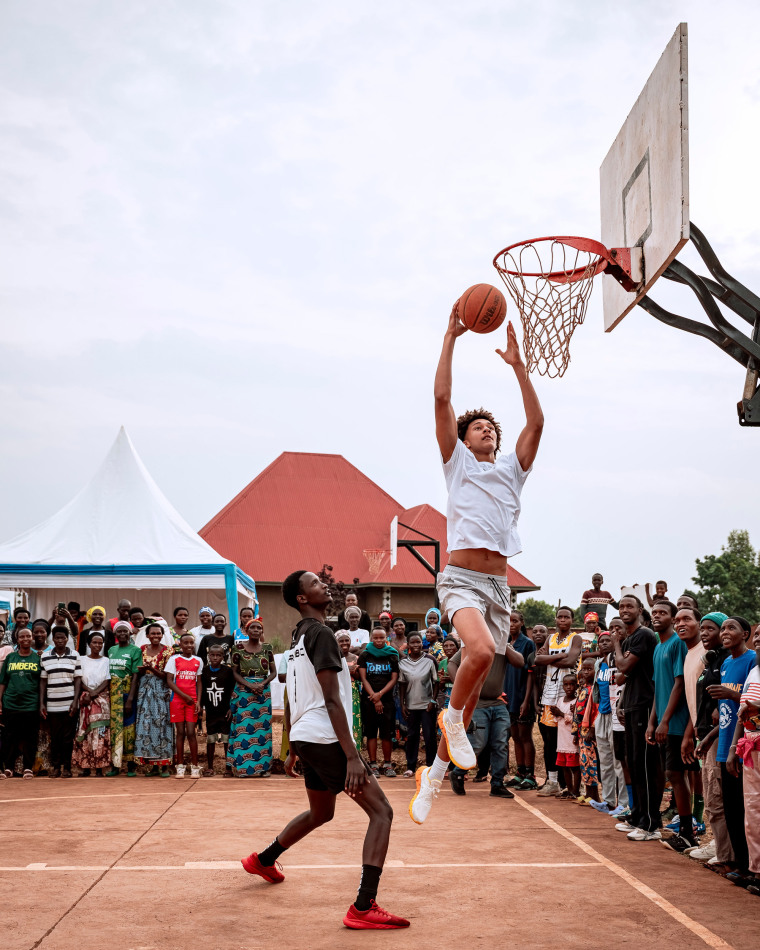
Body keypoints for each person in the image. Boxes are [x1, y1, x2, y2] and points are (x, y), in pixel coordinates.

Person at [411, 306, 543, 824]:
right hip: (462, 579)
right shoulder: (457, 464)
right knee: (482, 650)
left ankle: (432, 778)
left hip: (498, 585)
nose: (486, 430)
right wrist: (450, 336)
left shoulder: (512, 469)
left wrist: (518, 367)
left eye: (491, 427)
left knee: (476, 685)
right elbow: (442, 400)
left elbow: (536, 423)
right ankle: (451, 720)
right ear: (464, 440)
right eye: (478, 427)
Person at [242, 570, 409, 931]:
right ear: (302, 598)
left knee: (321, 812)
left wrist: (293, 746)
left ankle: (264, 860)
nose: (324, 585)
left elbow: (296, 694)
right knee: (382, 812)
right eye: (315, 583)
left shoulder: (299, 636)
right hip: (325, 737)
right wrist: (352, 756)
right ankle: (363, 906)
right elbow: (331, 700)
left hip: (308, 735)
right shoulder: (321, 634)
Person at [612, 594, 662, 841]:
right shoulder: (631, 638)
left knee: (644, 765)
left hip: (645, 706)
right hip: (632, 705)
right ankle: (638, 815)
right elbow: (622, 677)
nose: (624, 609)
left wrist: (616, 644)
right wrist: (622, 704)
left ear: (640, 610)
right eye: (621, 606)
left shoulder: (643, 635)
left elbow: (622, 667)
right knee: (634, 763)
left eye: (629, 606)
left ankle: (651, 823)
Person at [712, 616, 755, 883]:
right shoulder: (726, 662)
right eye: (723, 628)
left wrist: (731, 694)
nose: (725, 632)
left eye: (731, 628)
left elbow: (750, 702)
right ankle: (739, 863)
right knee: (731, 809)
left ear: (746, 634)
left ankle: (751, 866)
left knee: (745, 809)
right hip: (726, 742)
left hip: (743, 746)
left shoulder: (752, 661)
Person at [688, 612, 732, 865]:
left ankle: (722, 849)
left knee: (716, 795)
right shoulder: (712, 659)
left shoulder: (726, 660)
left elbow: (728, 698)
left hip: (717, 736)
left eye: (710, 628)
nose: (704, 633)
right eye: (702, 628)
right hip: (705, 734)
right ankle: (719, 844)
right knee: (711, 793)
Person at [448, 645, 520, 799]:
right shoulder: (476, 643)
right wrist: (461, 685)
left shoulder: (504, 647)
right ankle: (458, 772)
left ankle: (497, 784)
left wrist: (504, 646)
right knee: (477, 743)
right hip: (477, 703)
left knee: (500, 744)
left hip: (498, 703)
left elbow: (520, 662)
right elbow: (452, 664)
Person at [534, 608, 583, 797]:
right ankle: (552, 781)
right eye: (560, 617)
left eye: (566, 617)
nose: (563, 619)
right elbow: (538, 659)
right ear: (555, 619)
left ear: (572, 620)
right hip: (550, 695)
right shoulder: (551, 638)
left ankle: (571, 784)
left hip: (568, 694)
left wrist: (550, 659)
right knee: (549, 741)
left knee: (569, 740)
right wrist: (560, 656)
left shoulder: (575, 638)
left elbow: (571, 662)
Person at [731, 624, 760, 892]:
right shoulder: (754, 671)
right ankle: (756, 870)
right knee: (752, 812)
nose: (758, 637)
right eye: (758, 633)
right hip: (751, 748)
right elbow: (744, 710)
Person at [228, 618, 276, 777]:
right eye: (252, 628)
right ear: (246, 631)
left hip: (263, 693)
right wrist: (250, 685)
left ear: (262, 631)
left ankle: (263, 768)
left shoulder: (267, 648)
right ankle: (242, 768)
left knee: (263, 729)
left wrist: (262, 684)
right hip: (243, 691)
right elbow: (234, 672)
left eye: (259, 628)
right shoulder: (237, 648)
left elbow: (273, 672)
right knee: (243, 728)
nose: (256, 630)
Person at [590, 630, 628, 814]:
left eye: (608, 640)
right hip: (602, 715)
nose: (604, 643)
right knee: (605, 762)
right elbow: (596, 692)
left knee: (618, 761)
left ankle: (624, 803)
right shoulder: (599, 664)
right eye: (601, 641)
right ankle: (608, 801)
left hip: (616, 716)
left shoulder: (620, 662)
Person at [39, 626, 82, 777]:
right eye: (57, 638)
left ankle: (67, 768)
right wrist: (42, 703)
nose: (60, 640)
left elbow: (78, 680)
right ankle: (56, 767)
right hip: (52, 705)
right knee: (55, 737)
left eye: (62, 637)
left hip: (70, 704)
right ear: (53, 639)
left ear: (67, 639)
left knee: (68, 738)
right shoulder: (45, 656)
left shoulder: (75, 655)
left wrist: (75, 702)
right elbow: (43, 681)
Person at [357, 628, 400, 778]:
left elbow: (394, 679)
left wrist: (380, 695)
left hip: (387, 700)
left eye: (381, 638)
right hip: (369, 700)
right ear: (371, 639)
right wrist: (374, 697)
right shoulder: (365, 655)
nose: (379, 640)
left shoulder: (392, 655)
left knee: (387, 733)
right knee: (371, 733)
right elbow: (363, 678)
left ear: (386, 638)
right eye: (375, 638)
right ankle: (373, 765)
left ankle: (388, 764)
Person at [0, 627, 41, 779]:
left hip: (31, 704)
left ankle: (28, 768)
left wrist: (41, 703)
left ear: (32, 638)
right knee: (10, 737)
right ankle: (9, 767)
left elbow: (42, 682)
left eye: (28, 636)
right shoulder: (10, 657)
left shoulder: (38, 658)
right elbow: (3, 681)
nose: (25, 639)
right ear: (17, 639)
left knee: (30, 737)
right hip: (10, 703)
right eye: (22, 636)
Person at [134, 622, 174, 776]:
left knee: (163, 725)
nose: (156, 636)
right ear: (147, 635)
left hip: (161, 691)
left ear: (162, 635)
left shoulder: (168, 651)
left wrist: (151, 669)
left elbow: (167, 675)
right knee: (147, 726)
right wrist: (144, 671)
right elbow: (137, 671)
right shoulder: (142, 649)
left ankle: (165, 766)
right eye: (153, 633)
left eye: (158, 633)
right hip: (144, 691)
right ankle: (153, 766)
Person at [398, 633, 438, 778]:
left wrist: (432, 701)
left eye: (418, 642)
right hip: (410, 705)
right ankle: (410, 767)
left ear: (422, 643)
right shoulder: (402, 662)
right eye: (413, 643)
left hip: (427, 706)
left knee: (429, 736)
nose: (416, 645)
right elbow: (402, 684)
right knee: (412, 736)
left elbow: (436, 682)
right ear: (408, 645)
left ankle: (431, 767)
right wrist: (402, 704)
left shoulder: (430, 660)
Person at [504, 610, 536, 789]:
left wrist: (526, 700)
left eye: (515, 621)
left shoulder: (527, 643)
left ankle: (530, 775)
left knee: (525, 736)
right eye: (508, 621)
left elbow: (530, 673)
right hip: (508, 696)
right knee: (515, 736)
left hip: (522, 695)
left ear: (522, 623)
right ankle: (520, 772)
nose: (511, 624)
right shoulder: (505, 642)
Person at [72, 632, 111, 776]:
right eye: (94, 642)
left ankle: (100, 767)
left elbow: (107, 679)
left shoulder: (106, 660)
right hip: (86, 699)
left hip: (102, 699)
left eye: (100, 643)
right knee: (85, 731)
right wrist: (89, 692)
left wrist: (95, 692)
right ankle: (86, 767)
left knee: (100, 732)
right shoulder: (81, 659)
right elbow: (78, 678)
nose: (97, 645)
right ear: (89, 644)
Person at [106, 621, 142, 777]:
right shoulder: (111, 650)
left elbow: (135, 676)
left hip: (128, 693)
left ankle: (131, 766)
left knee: (129, 729)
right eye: (119, 631)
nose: (122, 634)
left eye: (125, 631)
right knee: (115, 729)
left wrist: (130, 700)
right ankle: (115, 764)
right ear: (115, 634)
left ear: (130, 633)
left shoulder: (135, 650)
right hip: (113, 693)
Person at [166, 633, 203, 778]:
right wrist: (184, 696)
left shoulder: (198, 660)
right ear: (180, 645)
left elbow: (199, 683)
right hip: (177, 700)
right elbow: (169, 681)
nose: (189, 645)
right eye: (185, 643)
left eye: (191, 643)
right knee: (180, 732)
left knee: (191, 733)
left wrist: (198, 701)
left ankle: (195, 766)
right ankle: (180, 765)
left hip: (192, 701)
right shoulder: (174, 659)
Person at [200, 643, 235, 776]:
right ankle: (210, 767)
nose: (215, 658)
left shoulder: (228, 671)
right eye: (212, 655)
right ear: (208, 656)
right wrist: (201, 707)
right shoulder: (204, 671)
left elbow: (232, 690)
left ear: (223, 657)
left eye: (218, 655)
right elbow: (201, 690)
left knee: (226, 740)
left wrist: (231, 707)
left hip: (225, 711)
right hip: (210, 711)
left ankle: (228, 768)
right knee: (211, 739)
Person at [575, 656, 600, 804]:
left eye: (589, 669)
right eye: (583, 669)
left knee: (591, 764)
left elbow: (596, 711)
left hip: (589, 733)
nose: (585, 672)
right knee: (584, 763)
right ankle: (587, 793)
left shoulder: (595, 690)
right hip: (581, 732)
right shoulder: (583, 688)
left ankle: (594, 795)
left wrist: (592, 729)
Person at [551, 673, 580, 799]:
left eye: (572, 684)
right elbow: (557, 719)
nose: (569, 687)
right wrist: (556, 713)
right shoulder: (560, 700)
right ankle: (569, 789)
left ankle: (576, 791)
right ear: (562, 686)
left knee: (574, 767)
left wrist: (562, 714)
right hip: (562, 740)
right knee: (564, 766)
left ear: (576, 686)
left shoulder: (577, 701)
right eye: (566, 684)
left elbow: (576, 721)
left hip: (571, 740)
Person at [337, 633, 363, 752]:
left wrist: (354, 673)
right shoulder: (333, 657)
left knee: (354, 718)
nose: (344, 643)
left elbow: (360, 677)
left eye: (346, 640)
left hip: (353, 691)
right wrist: (347, 670)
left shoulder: (356, 658)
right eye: (341, 641)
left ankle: (355, 749)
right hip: (338, 689)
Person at [437, 637, 459, 714]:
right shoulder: (442, 663)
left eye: (452, 645)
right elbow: (441, 688)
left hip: (459, 696)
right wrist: (442, 680)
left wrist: (450, 679)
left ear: (457, 648)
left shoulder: (462, 662)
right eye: (445, 646)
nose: (448, 648)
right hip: (447, 697)